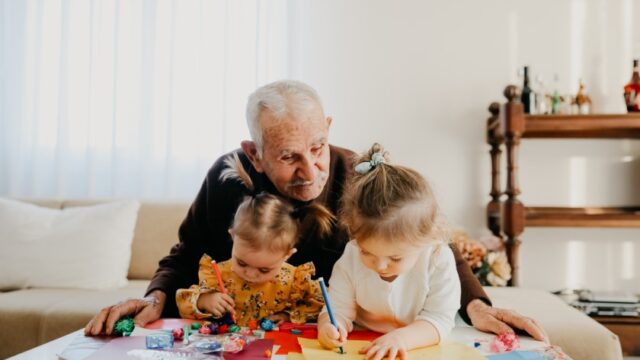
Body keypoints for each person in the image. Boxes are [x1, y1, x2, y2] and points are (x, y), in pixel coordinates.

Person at [84, 80, 548, 344]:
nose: (311, 171)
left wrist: (478, 305)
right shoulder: (226, 180)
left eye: (318, 147)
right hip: (259, 332)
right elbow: (187, 253)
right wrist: (155, 299)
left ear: (328, 129)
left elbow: (428, 243)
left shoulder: (362, 173)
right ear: (255, 152)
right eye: (288, 157)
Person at [318, 144, 460, 360]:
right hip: (362, 343)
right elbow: (337, 308)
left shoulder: (438, 259)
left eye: (395, 258)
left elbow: (440, 319)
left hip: (420, 343)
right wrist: (330, 326)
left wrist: (400, 339)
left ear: (428, 237)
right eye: (367, 252)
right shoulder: (351, 254)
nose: (380, 266)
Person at [175, 153, 332, 325]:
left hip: (275, 348)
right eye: (242, 263)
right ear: (233, 236)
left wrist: (289, 315)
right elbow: (183, 300)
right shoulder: (217, 274)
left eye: (264, 270)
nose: (250, 274)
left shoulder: (294, 281)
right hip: (227, 346)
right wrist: (205, 300)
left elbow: (321, 305)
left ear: (287, 255)